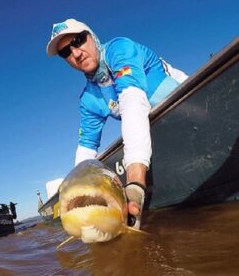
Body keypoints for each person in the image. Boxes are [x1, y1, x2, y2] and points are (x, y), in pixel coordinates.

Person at [46, 19, 187, 228]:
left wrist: (135, 183)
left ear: (92, 36)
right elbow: (85, 152)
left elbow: (132, 102)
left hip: (186, 102)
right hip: (148, 124)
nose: (76, 53)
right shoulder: (88, 100)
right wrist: (79, 199)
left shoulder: (119, 49)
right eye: (66, 52)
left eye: (78, 41)